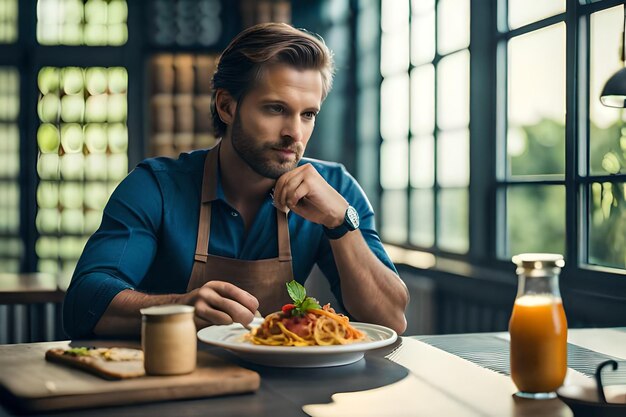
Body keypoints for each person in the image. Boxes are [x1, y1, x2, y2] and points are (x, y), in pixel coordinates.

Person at [63, 22, 409, 338]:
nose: (294, 133)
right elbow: (83, 303)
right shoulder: (156, 187)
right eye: (275, 109)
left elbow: (391, 321)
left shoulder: (336, 189)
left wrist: (340, 223)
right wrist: (180, 309)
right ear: (227, 107)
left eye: (307, 114)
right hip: (170, 384)